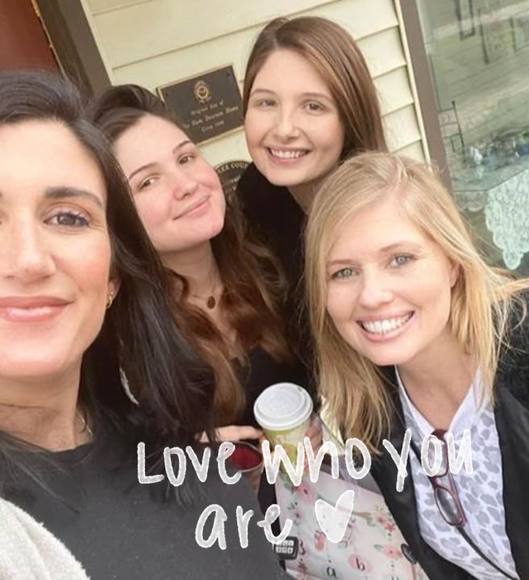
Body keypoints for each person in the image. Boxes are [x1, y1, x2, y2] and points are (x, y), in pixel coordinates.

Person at [0, 70, 288, 579]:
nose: (29, 260)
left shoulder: (269, 264)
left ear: (112, 274)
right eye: (148, 181)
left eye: (67, 217)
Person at [304, 151, 529, 579]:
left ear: (451, 262)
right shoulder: (371, 411)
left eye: (400, 259)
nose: (371, 295)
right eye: (343, 272)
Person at [91, 85, 311, 439]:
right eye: (148, 182)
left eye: (185, 158)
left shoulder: (271, 260)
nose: (187, 184)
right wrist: (194, 457)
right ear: (115, 220)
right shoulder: (118, 344)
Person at [238, 15, 387, 320]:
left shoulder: (389, 214)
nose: (284, 129)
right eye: (267, 103)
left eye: (313, 106)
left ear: (350, 118)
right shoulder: (255, 195)